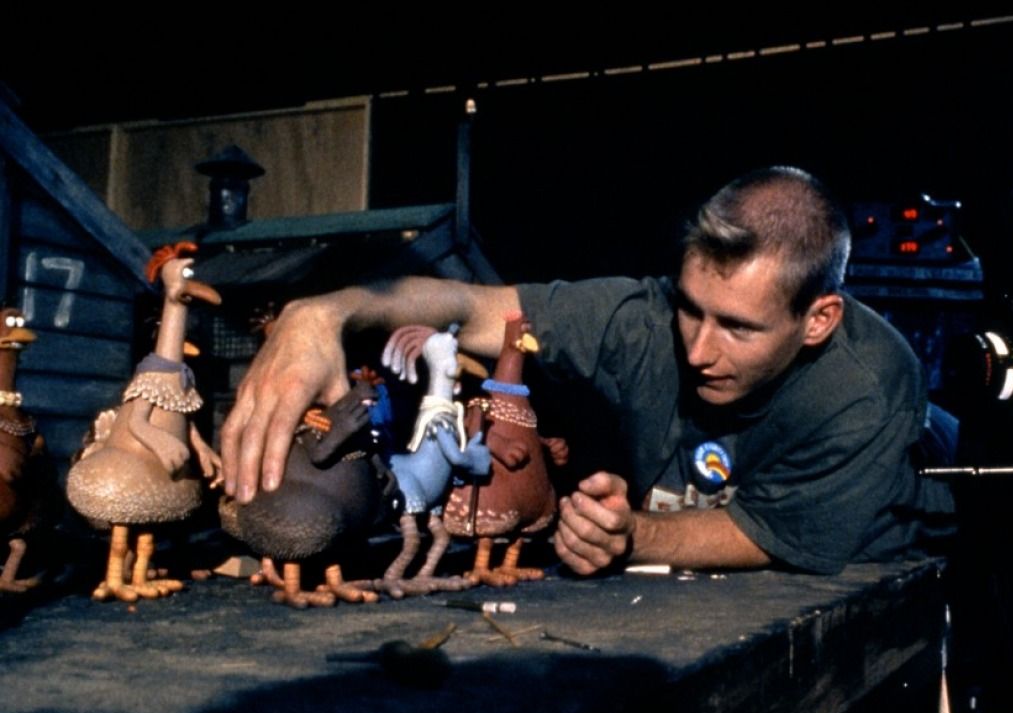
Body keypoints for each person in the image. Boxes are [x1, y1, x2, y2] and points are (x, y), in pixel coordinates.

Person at [221, 166, 952, 576]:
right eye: (693, 308)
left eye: (737, 327)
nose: (697, 350)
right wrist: (322, 313)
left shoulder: (866, 390)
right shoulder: (643, 318)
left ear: (818, 319)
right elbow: (470, 307)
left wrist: (631, 534)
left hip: (863, 578)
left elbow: (770, 532)